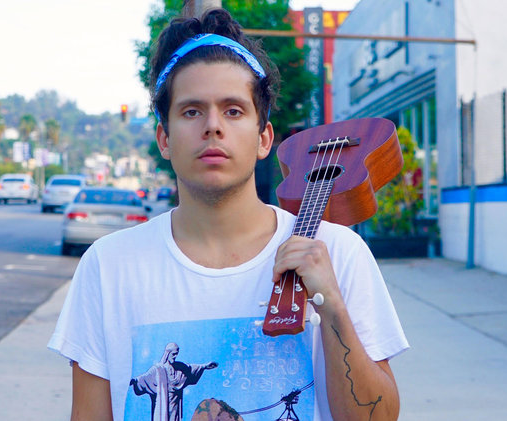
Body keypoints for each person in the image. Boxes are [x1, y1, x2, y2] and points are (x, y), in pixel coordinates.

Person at [48, 8, 408, 421]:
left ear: (264, 138)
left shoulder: (337, 252)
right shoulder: (108, 265)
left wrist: (332, 307)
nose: (213, 126)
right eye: (192, 111)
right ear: (164, 139)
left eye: (233, 110)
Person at [129, 343, 218, 420]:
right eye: (173, 354)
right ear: (168, 353)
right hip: (162, 404)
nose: (175, 356)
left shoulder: (180, 368)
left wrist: (205, 366)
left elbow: (191, 369)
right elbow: (145, 378)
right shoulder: (158, 369)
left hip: (174, 405)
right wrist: (134, 381)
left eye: (176, 354)